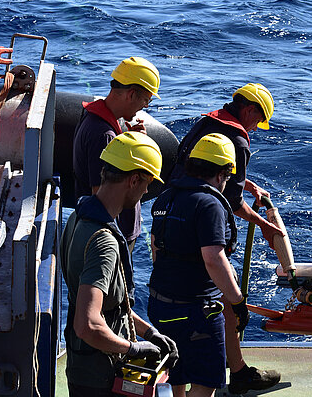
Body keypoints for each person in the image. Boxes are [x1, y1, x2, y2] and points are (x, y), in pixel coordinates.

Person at [168, 83, 281, 393]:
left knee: (183, 316)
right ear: (249, 111)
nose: (256, 129)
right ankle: (237, 371)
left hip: (172, 225)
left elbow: (198, 170)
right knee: (225, 298)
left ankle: (233, 369)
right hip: (203, 231)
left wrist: (246, 183)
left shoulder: (205, 124)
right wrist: (264, 224)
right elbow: (228, 200)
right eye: (258, 121)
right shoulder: (239, 142)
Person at [61, 132, 178, 396]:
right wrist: (132, 348)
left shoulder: (77, 218)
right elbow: (88, 324)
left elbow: (107, 307)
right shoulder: (104, 241)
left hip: (82, 368)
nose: (147, 191)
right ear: (134, 179)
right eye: (147, 183)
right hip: (99, 378)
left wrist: (149, 332)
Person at [147, 133, 252, 397]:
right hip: (195, 312)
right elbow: (213, 258)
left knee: (176, 374)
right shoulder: (209, 204)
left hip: (160, 305)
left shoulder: (165, 198)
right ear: (220, 175)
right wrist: (237, 302)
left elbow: (155, 250)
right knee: (205, 384)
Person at [72, 56, 160, 302]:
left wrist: (129, 138)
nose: (143, 107)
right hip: (112, 235)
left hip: (110, 233)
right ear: (131, 94)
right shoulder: (104, 134)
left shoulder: (99, 120)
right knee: (114, 301)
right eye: (145, 99)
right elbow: (103, 193)